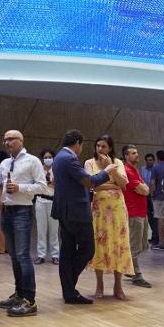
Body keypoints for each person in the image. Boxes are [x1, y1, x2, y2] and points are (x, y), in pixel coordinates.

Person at [51, 129, 113, 304]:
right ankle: (69, 286)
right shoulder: (69, 158)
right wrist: (107, 170)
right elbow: (89, 181)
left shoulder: (59, 157)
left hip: (65, 210)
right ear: (78, 143)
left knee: (68, 250)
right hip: (76, 212)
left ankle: (69, 291)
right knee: (87, 249)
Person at [0, 129, 47, 316]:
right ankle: (19, 294)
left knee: (23, 255)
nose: (7, 143)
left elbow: (43, 186)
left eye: (10, 139)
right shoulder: (4, 163)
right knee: (14, 256)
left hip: (22, 211)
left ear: (20, 141)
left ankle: (30, 300)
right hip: (7, 211)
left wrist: (20, 187)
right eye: (5, 140)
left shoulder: (32, 161)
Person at [86, 135, 134, 299]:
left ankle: (118, 286)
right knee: (99, 244)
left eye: (104, 146)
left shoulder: (118, 163)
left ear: (110, 148)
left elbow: (124, 184)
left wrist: (110, 168)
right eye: (98, 146)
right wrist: (112, 184)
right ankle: (99, 285)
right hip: (99, 210)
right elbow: (91, 184)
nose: (100, 149)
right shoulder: (89, 163)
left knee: (118, 245)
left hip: (117, 209)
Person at [122, 144, 152, 289]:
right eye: (133, 153)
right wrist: (144, 187)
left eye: (137, 152)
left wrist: (144, 188)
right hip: (134, 213)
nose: (137, 155)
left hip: (141, 211)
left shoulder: (135, 170)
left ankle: (129, 269)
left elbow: (145, 189)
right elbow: (144, 190)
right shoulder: (128, 171)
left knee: (142, 244)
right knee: (134, 245)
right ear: (126, 156)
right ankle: (137, 275)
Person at [33, 148, 59, 265]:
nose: (48, 159)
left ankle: (55, 255)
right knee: (41, 229)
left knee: (54, 230)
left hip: (53, 201)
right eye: (46, 157)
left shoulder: (57, 170)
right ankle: (41, 255)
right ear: (42, 159)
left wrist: (54, 183)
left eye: (50, 157)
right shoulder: (38, 170)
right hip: (40, 200)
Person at [150, 149, 164, 248]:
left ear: (157, 158)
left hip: (158, 196)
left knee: (160, 218)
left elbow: (153, 183)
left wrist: (152, 194)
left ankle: (161, 242)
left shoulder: (155, 168)